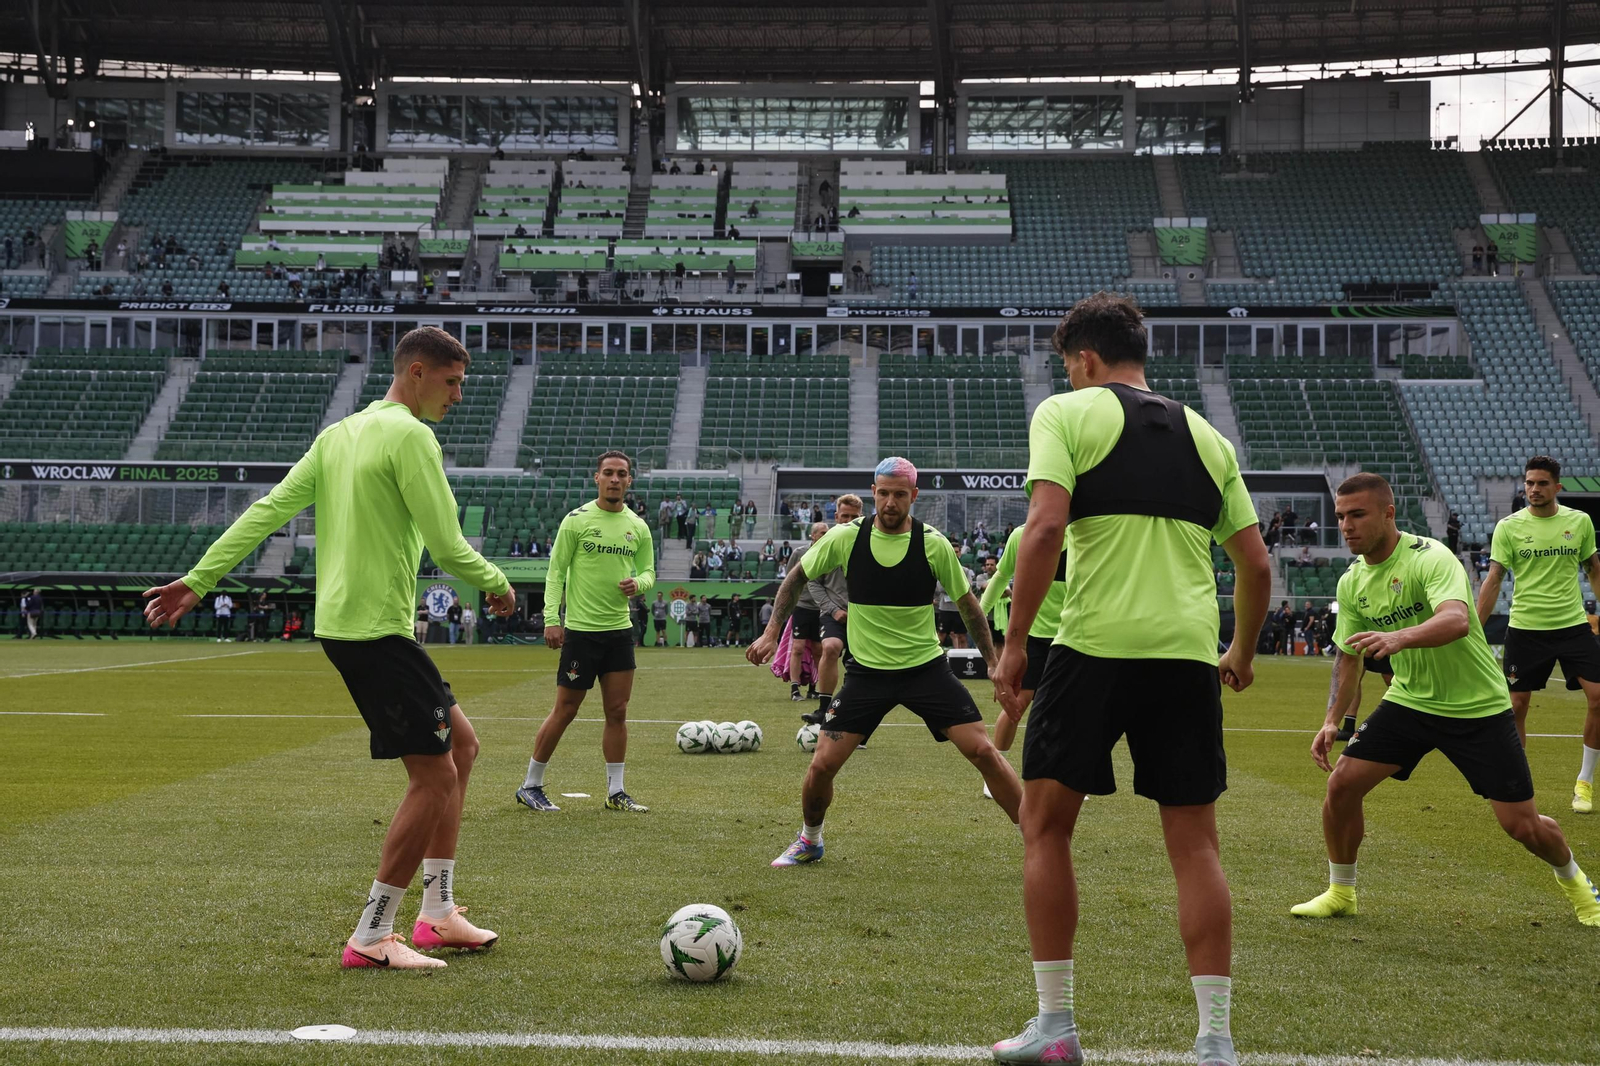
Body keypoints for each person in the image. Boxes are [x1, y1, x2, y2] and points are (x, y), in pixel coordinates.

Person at [142, 326, 517, 970]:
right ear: (418, 373)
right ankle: (373, 935)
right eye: (453, 382)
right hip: (375, 631)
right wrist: (499, 585)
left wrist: (198, 581)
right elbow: (449, 546)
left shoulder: (338, 435)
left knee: (462, 745)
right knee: (434, 778)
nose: (458, 396)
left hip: (349, 628)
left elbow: (267, 510)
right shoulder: (411, 435)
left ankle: (438, 914)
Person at [990, 292, 1270, 1066]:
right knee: (1196, 846)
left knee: (1044, 825)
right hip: (1185, 653)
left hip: (1094, 646)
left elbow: (1044, 528)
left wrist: (1015, 644)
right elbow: (1255, 561)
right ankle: (1215, 1040)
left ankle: (1056, 1028)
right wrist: (1241, 652)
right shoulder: (1209, 436)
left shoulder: (1065, 414)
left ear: (1081, 360)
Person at [1292, 472, 1600, 929]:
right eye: (1340, 516)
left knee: (1523, 826)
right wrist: (1332, 720)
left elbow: (1456, 620)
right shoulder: (1351, 581)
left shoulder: (1429, 557)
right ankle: (1342, 892)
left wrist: (1399, 638)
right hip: (1410, 702)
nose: (1347, 525)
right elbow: (1348, 656)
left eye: (1357, 514)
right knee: (1342, 785)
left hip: (1477, 707)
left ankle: (1576, 882)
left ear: (1388, 512)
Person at [748, 457, 1023, 868]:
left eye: (899, 494)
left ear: (914, 496)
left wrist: (993, 662)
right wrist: (771, 633)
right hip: (867, 676)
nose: (890, 502)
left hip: (926, 671)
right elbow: (796, 577)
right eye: (883, 493)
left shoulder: (933, 543)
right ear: (872, 493)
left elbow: (968, 606)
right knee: (822, 765)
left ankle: (1037, 838)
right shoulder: (845, 537)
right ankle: (810, 840)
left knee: (984, 752)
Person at [515, 451, 655, 815]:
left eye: (621, 474)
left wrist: (638, 582)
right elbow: (555, 572)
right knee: (565, 709)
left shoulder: (637, 526)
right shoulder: (576, 521)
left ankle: (616, 791)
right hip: (581, 632)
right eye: (608, 473)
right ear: (597, 478)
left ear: (629, 481)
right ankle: (530, 785)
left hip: (619, 632)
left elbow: (650, 572)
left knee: (618, 711)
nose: (614, 479)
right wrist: (551, 618)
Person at [1475, 456, 1600, 811]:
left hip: (1572, 626)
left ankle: (1585, 783)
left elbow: (1594, 570)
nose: (1534, 489)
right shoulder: (1509, 527)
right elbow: (1494, 578)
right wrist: (1473, 628)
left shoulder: (1579, 522)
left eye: (1542, 483)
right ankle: (1517, 784)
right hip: (1526, 629)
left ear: (1556, 487)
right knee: (1516, 706)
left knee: (1598, 698)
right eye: (1529, 483)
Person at [977, 522, 1069, 775]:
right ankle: (997, 774)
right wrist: (979, 614)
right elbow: (1001, 575)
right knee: (1017, 702)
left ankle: (1066, 778)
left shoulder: (1085, 535)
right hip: (1031, 636)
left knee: (1069, 707)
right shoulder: (1022, 535)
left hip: (1072, 635)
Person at [798, 494, 865, 724]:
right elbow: (813, 581)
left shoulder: (870, 543)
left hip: (865, 617)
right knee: (831, 647)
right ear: (836, 517)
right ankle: (823, 709)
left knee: (860, 667)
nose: (848, 521)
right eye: (844, 516)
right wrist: (833, 609)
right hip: (833, 613)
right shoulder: (826, 545)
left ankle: (853, 716)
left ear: (861, 517)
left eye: (854, 517)